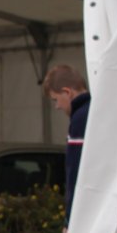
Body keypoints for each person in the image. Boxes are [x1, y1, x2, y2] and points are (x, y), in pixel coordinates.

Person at [42, 64, 91, 224]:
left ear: (67, 92)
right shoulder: (94, 110)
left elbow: (75, 172)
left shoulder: (79, 119)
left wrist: (70, 219)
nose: (57, 106)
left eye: (56, 99)